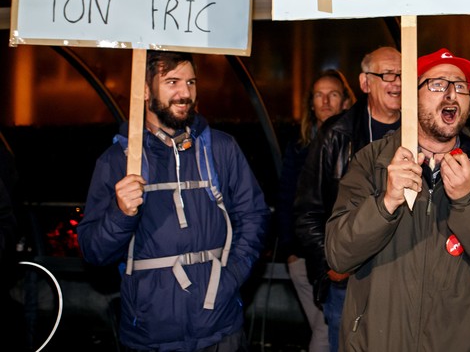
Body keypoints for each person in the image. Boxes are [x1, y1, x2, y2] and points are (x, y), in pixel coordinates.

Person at [325, 48, 470, 352]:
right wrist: (386, 203)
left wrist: (468, 202)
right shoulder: (373, 162)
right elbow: (338, 254)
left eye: (461, 87)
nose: (451, 94)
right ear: (412, 98)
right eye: (436, 84)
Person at [78, 50, 271, 352]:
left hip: (220, 330)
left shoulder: (221, 149)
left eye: (191, 82)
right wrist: (120, 213)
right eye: (172, 82)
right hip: (150, 335)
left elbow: (254, 217)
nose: (185, 93)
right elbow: (93, 251)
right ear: (144, 90)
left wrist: (229, 278)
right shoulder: (117, 161)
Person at [294, 46, 403, 352]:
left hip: (403, 278)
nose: (396, 82)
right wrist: (331, 264)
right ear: (365, 83)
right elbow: (307, 210)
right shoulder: (336, 134)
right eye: (387, 75)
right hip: (349, 282)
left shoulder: (422, 131)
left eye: (403, 75)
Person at [276, 69, 356, 352]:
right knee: (326, 328)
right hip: (303, 257)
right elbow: (287, 199)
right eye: (319, 95)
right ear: (311, 103)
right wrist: (291, 251)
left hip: (342, 260)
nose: (325, 101)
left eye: (333, 94)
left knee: (332, 329)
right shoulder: (299, 147)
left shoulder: (355, 143)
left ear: (346, 101)